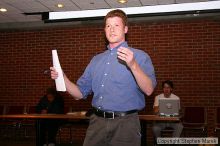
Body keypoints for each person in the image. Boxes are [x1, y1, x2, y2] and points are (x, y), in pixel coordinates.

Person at [50, 9, 156, 146]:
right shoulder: (96, 60)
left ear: (125, 29)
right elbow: (79, 93)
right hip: (97, 123)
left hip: (126, 125)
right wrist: (62, 77)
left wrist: (133, 65)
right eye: (108, 26)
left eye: (116, 25)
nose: (111, 29)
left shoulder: (140, 56)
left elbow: (149, 90)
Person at [152, 80, 183, 145]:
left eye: (168, 87)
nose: (166, 89)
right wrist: (163, 104)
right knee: (155, 128)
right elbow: (155, 111)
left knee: (180, 126)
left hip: (172, 122)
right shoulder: (158, 97)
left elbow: (178, 112)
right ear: (163, 89)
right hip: (161, 122)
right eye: (164, 87)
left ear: (171, 89)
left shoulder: (176, 98)